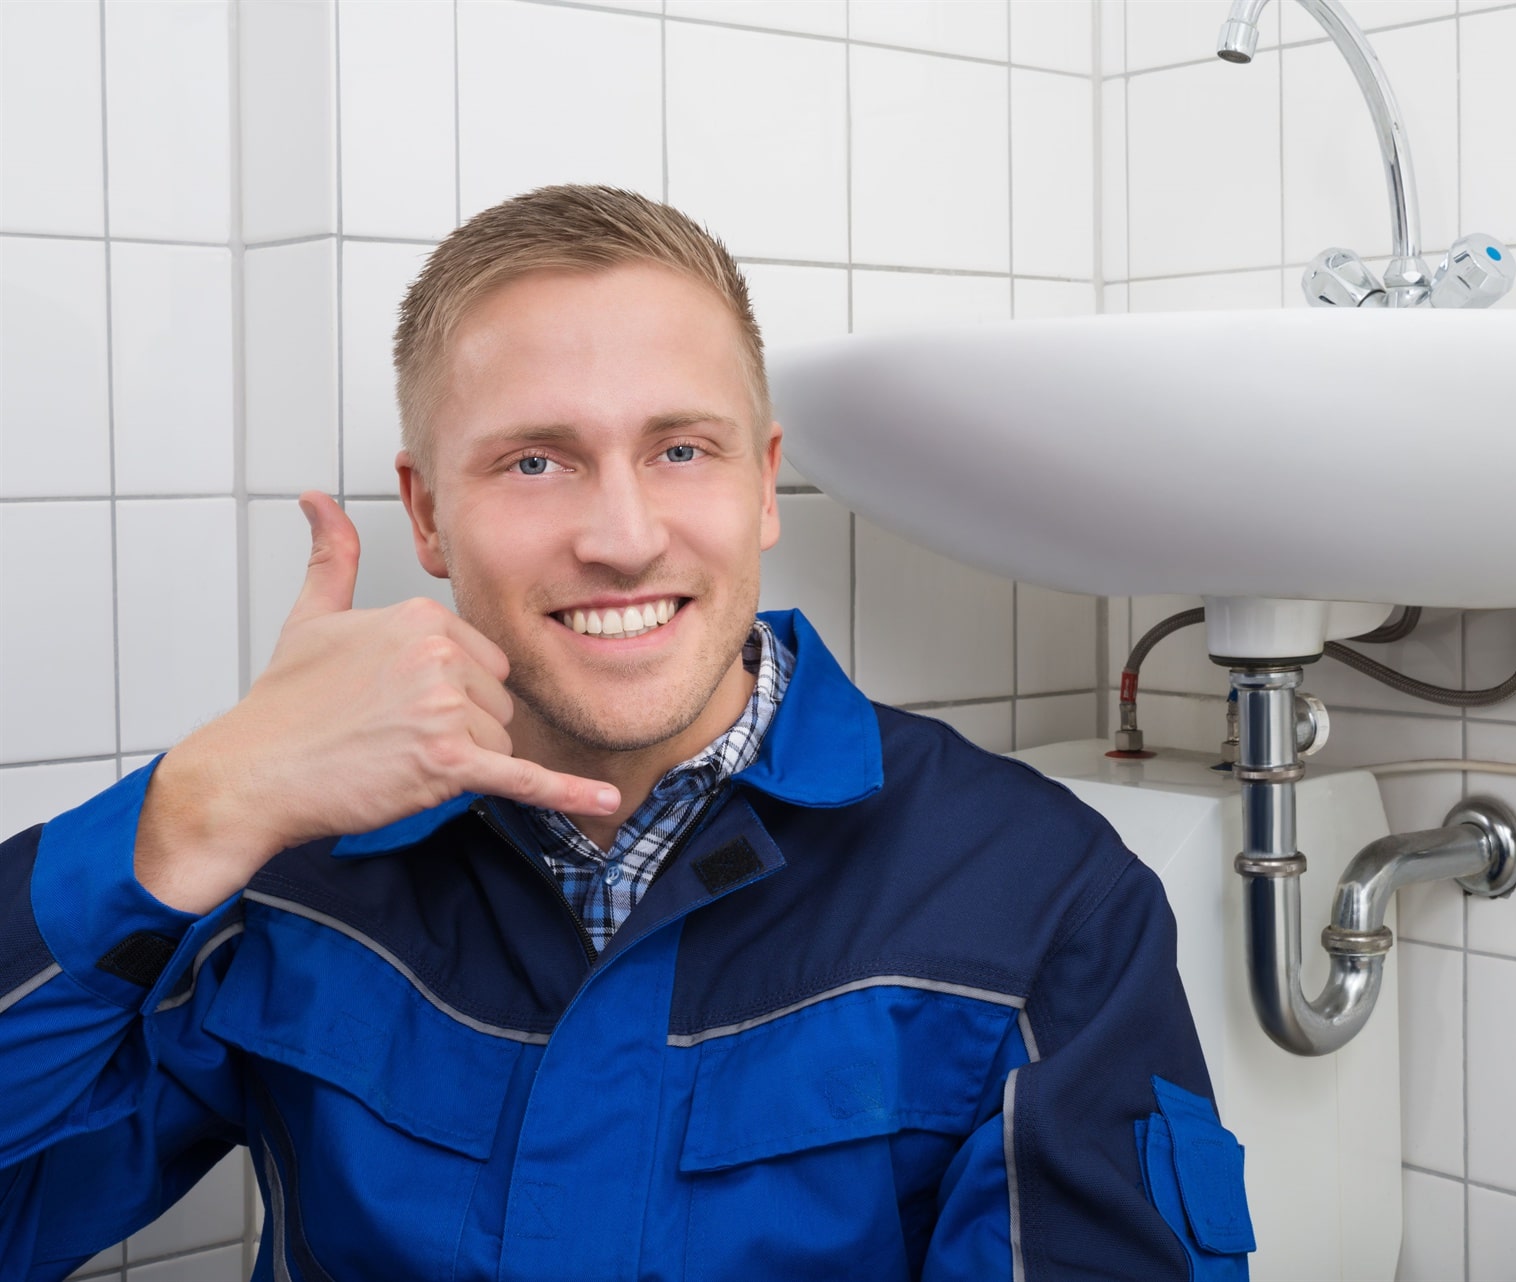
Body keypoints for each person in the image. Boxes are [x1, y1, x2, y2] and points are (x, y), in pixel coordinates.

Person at [0, 184, 1254, 1281]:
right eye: (536, 463)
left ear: (765, 483)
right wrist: (201, 801)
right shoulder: (288, 859)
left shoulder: (1039, 898)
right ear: (426, 518)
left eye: (680, 449)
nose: (623, 534)